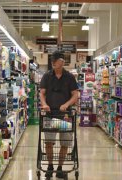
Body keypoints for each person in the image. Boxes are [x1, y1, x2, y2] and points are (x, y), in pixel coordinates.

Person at [39, 50, 79, 178]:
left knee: (64, 143)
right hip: (49, 115)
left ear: (61, 62)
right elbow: (42, 93)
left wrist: (67, 104)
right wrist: (44, 104)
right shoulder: (47, 76)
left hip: (65, 115)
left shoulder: (69, 77)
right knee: (49, 142)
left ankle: (60, 169)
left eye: (57, 62)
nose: (55, 64)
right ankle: (50, 167)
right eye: (54, 62)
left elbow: (75, 94)